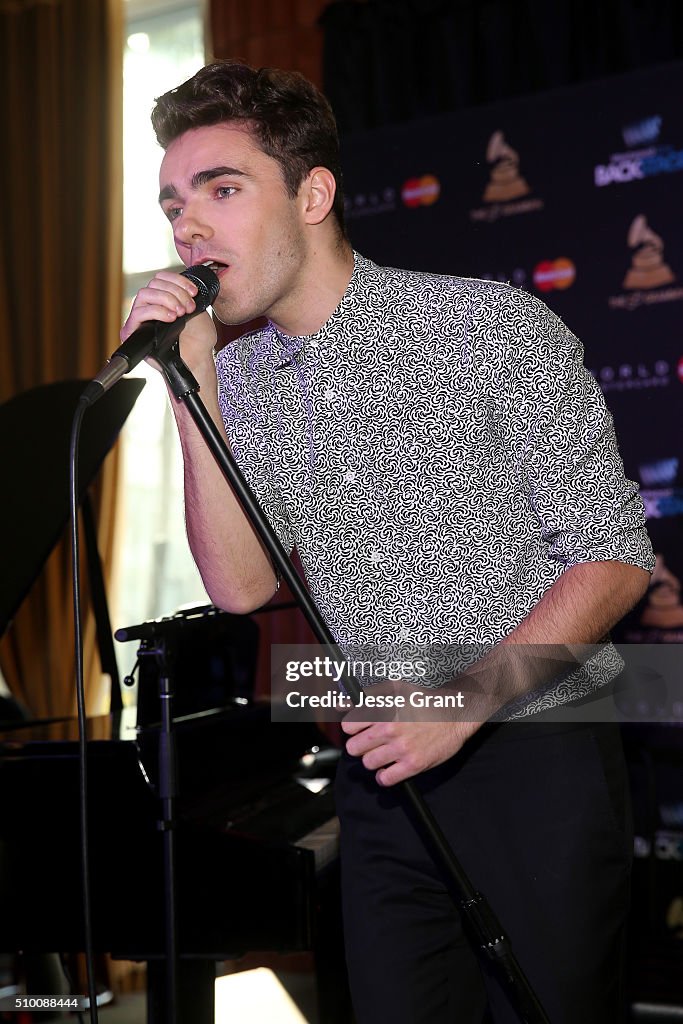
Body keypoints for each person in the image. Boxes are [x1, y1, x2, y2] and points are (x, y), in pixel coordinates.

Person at [121, 60, 654, 1023]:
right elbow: (242, 590)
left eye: (222, 189)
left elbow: (613, 553)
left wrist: (463, 701)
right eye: (172, 204)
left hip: (536, 756)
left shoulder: (485, 327)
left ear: (313, 194)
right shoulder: (236, 382)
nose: (186, 226)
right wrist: (190, 392)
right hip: (383, 781)